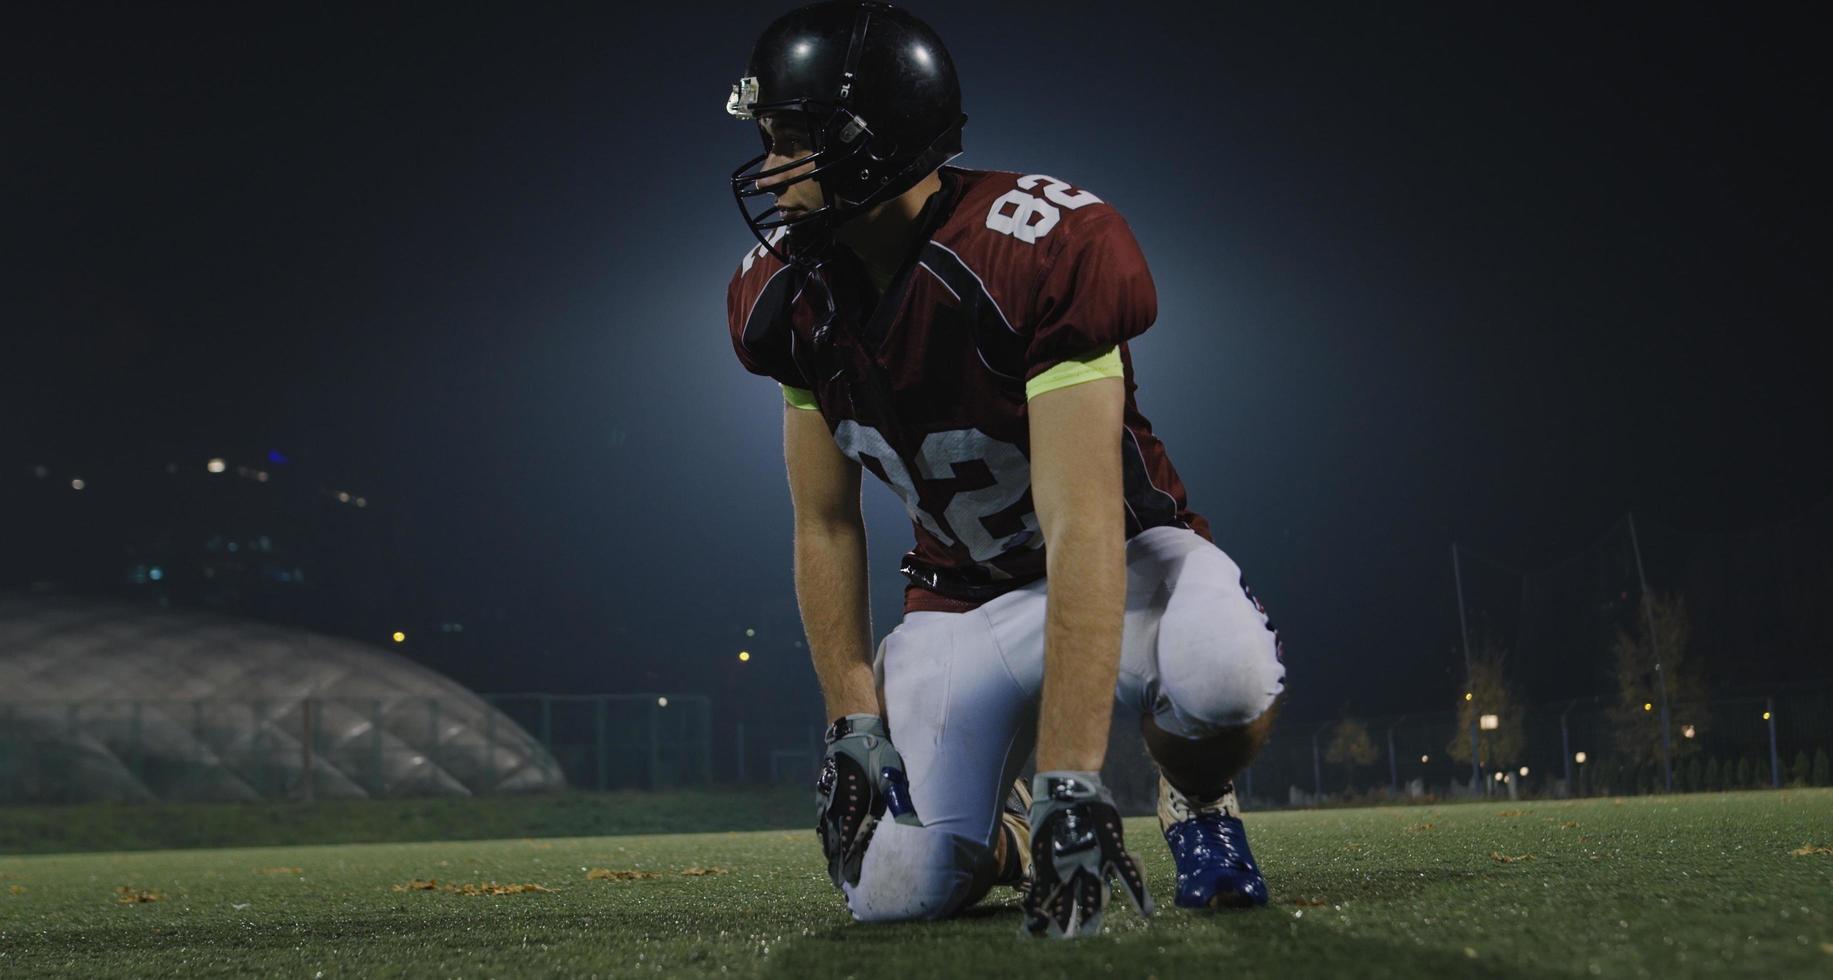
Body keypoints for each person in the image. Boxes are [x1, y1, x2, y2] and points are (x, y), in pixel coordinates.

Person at [722, 0, 1286, 939]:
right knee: (895, 891)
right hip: (961, 603)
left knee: (1223, 677)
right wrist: (851, 722)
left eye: (793, 141)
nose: (772, 168)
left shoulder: (1039, 248)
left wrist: (1077, 773)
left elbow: (1082, 526)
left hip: (1125, 566)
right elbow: (824, 522)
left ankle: (1197, 800)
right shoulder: (785, 295)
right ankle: (1009, 836)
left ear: (871, 144)